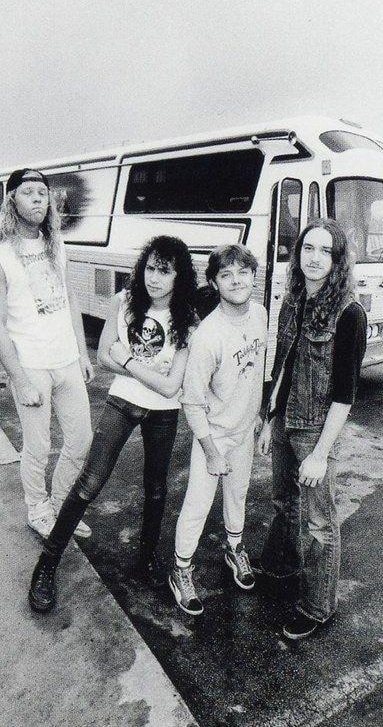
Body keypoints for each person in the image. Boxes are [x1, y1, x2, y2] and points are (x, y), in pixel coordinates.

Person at [28, 235, 199, 612]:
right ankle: (47, 564)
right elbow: (104, 356)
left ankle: (146, 559)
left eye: (165, 271)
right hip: (121, 401)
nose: (154, 278)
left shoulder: (187, 320)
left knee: (156, 489)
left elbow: (171, 387)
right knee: (88, 483)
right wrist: (145, 372)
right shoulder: (123, 301)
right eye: (150, 268)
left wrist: (129, 360)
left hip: (163, 412)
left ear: (179, 276)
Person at [255, 218, 367, 640]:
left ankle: (318, 607)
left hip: (317, 428)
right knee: (284, 500)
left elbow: (345, 395)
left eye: (325, 251)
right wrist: (270, 419)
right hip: (286, 419)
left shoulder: (349, 313)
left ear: (337, 260)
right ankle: (281, 567)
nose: (315, 258)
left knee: (320, 522)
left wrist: (320, 453)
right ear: (298, 253)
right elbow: (282, 366)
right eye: (308, 248)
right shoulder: (293, 300)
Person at [0, 169, 94, 540]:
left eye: (42, 192)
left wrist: (82, 354)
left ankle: (59, 504)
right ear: (11, 199)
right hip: (31, 365)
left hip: (66, 360)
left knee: (81, 441)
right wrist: (20, 379)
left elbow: (71, 300)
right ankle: (37, 509)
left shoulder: (57, 246)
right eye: (28, 192)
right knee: (38, 446)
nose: (38, 199)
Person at [169, 244, 267, 616]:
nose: (236, 280)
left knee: (237, 495)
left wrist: (261, 415)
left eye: (243, 272)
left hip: (244, 430)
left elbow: (256, 371)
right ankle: (180, 569)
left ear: (254, 276)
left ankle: (234, 548)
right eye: (226, 275)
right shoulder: (208, 336)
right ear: (214, 282)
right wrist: (210, 450)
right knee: (197, 504)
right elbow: (192, 401)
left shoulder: (260, 314)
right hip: (214, 436)